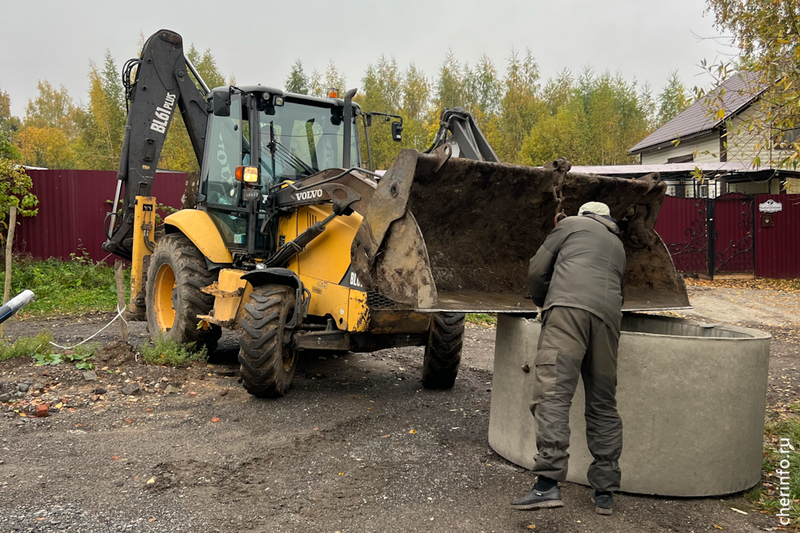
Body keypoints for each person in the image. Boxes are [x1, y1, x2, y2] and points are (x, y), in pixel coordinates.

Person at [510, 201, 625, 516]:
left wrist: (542, 301)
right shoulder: (617, 243)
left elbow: (537, 269)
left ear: (584, 214)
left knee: (553, 395)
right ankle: (604, 491)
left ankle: (547, 484)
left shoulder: (570, 224)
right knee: (603, 403)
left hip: (568, 314)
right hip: (609, 322)